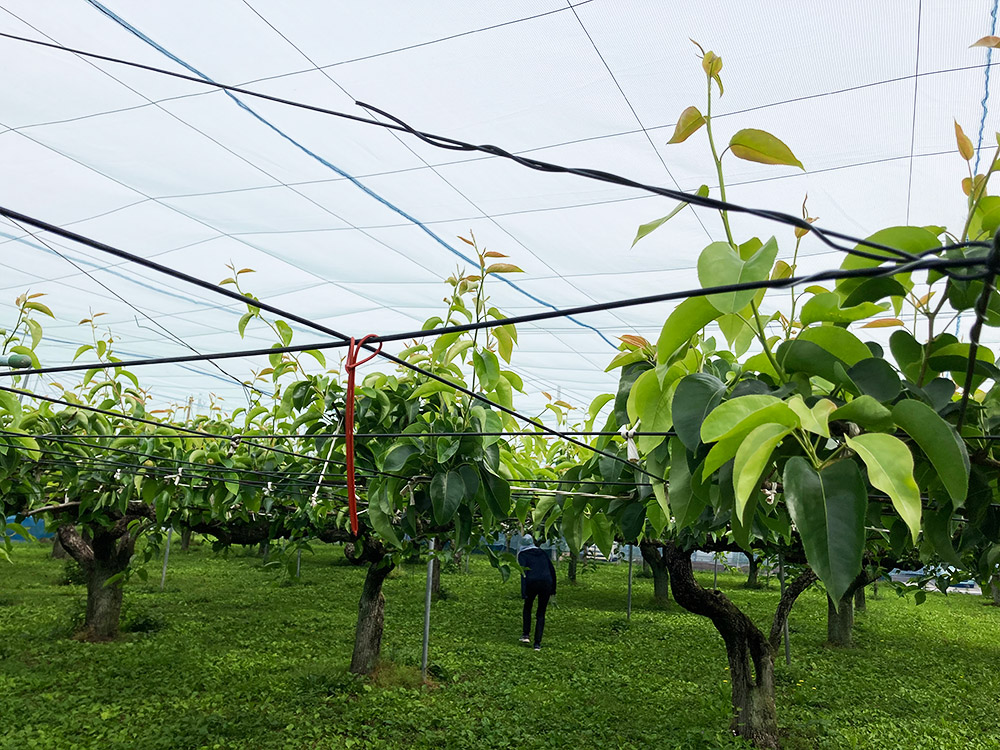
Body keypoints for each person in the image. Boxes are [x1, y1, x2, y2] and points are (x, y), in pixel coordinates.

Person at [517, 534, 556, 650]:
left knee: (528, 607)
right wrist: (553, 589)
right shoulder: (542, 553)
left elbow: (523, 573)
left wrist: (523, 592)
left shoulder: (522, 554)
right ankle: (537, 644)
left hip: (532, 583)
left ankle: (525, 634)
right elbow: (551, 570)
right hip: (546, 583)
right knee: (541, 613)